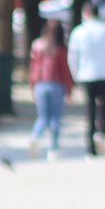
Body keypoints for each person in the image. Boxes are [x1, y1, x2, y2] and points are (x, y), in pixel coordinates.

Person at [67, 8, 105, 155]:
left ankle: (90, 146)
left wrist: (75, 76)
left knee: (90, 110)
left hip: (86, 75)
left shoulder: (78, 32)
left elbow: (72, 56)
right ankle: (101, 132)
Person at [27, 18, 72, 160]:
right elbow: (64, 70)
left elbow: (33, 68)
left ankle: (35, 137)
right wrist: (69, 89)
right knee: (55, 118)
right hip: (56, 85)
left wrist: (32, 86)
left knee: (43, 116)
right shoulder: (60, 49)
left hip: (40, 85)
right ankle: (53, 149)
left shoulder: (37, 46)